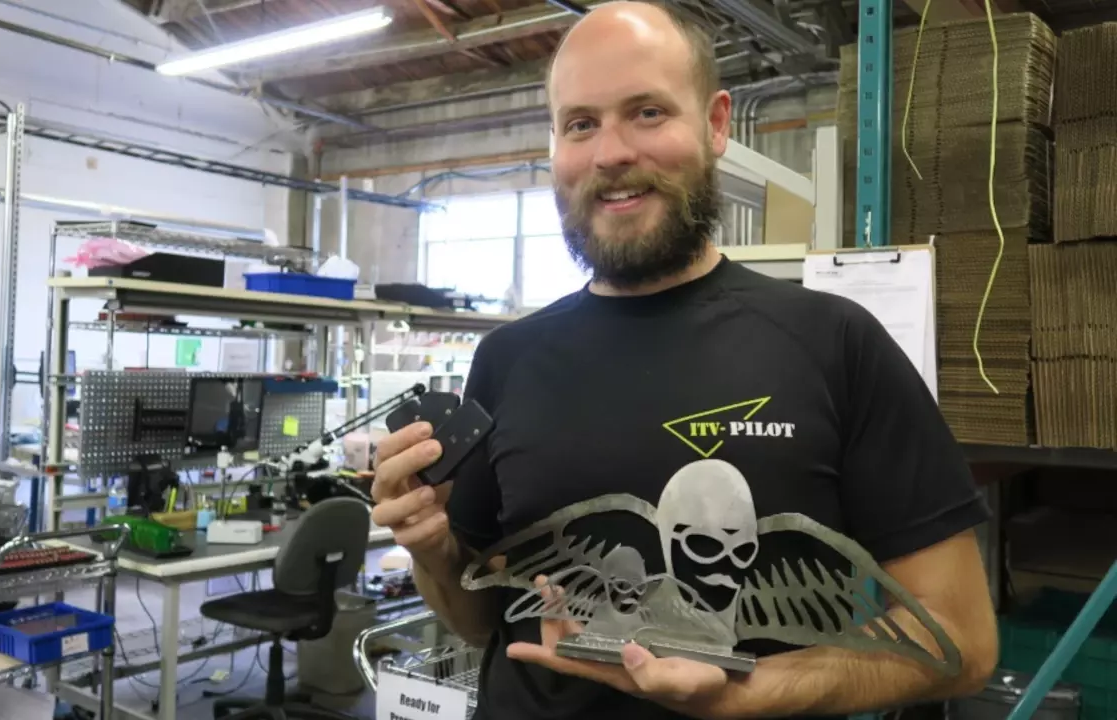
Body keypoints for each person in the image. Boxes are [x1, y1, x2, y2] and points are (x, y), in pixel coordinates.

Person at [369, 2, 999, 718]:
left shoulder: (836, 343)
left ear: (717, 124)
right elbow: (481, 619)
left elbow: (964, 641)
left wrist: (748, 693)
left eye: (646, 112)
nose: (610, 153)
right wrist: (430, 551)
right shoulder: (507, 358)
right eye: (581, 123)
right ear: (555, 145)